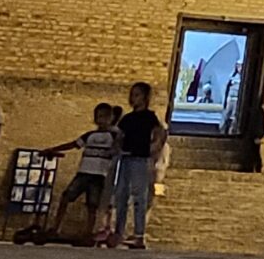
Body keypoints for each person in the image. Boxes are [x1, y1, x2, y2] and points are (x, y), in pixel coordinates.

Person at [29, 104, 122, 245]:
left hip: (99, 175)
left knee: (92, 204)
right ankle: (56, 227)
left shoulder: (114, 136)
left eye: (104, 117)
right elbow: (73, 144)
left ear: (111, 118)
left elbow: (120, 147)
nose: (101, 120)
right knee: (66, 197)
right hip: (84, 172)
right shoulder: (89, 135)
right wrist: (53, 149)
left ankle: (89, 232)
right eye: (98, 117)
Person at [110, 81, 166, 249]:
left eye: (137, 95)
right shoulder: (127, 119)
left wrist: (152, 150)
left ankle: (139, 234)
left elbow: (159, 135)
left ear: (145, 97)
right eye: (132, 95)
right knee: (121, 195)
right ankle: (119, 232)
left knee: (139, 196)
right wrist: (118, 149)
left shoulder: (150, 117)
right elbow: (119, 136)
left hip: (140, 160)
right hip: (125, 158)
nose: (134, 99)